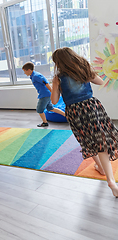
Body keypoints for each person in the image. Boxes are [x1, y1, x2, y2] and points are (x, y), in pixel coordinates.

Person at [51, 47, 118, 197]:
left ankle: (101, 167)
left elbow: (54, 101)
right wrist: (87, 74)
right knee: (100, 140)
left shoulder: (58, 77)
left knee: (87, 139)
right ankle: (110, 180)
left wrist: (55, 85)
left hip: (74, 112)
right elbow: (100, 82)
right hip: (91, 107)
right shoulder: (83, 70)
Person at [22, 62, 65, 127]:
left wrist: (52, 92)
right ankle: (66, 115)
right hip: (45, 94)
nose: (24, 73)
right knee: (51, 108)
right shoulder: (33, 76)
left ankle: (45, 122)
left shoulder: (36, 76)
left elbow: (46, 83)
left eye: (24, 71)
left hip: (45, 95)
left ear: (29, 70)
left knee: (39, 109)